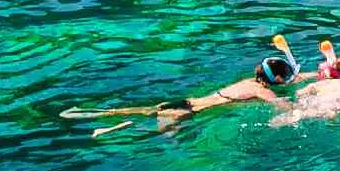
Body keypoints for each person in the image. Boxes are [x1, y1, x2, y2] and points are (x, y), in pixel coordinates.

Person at [59, 39, 298, 136]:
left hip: (185, 102)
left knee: (140, 111)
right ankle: (116, 130)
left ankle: (96, 113)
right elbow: (283, 105)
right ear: (277, 79)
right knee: (150, 136)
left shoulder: (247, 82)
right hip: (188, 114)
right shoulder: (262, 91)